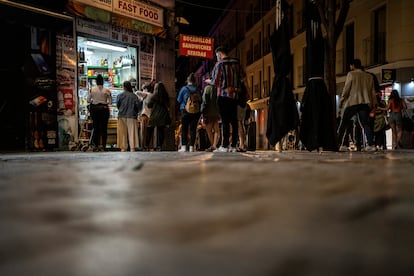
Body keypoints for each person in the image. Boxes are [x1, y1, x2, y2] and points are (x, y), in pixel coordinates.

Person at [207, 45, 246, 152]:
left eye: (217, 55)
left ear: (219, 54)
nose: (217, 57)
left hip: (223, 96)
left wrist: (209, 81)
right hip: (234, 97)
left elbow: (215, 81)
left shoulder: (219, 64)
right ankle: (234, 145)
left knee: (225, 121)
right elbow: (243, 77)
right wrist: (235, 88)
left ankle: (224, 145)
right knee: (234, 120)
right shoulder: (237, 63)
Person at [337, 58, 377, 152]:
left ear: (353, 66)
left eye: (350, 66)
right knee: (365, 124)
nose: (350, 67)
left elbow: (346, 89)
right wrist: (373, 104)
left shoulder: (351, 74)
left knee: (344, 123)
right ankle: (371, 144)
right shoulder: (369, 76)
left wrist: (342, 101)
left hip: (352, 102)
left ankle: (339, 144)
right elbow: (372, 91)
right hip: (364, 103)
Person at [177, 72, 202, 152]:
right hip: (196, 111)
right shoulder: (197, 89)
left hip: (185, 110)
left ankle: (184, 147)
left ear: (188, 80)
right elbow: (200, 100)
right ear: (194, 81)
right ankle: (192, 147)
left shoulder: (184, 89)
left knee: (184, 129)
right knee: (193, 129)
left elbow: (179, 100)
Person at [87, 74, 112, 151]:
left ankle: (96, 145)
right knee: (104, 128)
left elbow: (88, 100)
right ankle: (104, 146)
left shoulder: (92, 89)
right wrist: (105, 102)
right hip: (104, 109)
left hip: (95, 110)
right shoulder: (107, 90)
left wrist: (93, 101)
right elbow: (110, 102)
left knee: (95, 127)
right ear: (103, 81)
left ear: (96, 81)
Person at [116, 80, 141, 152]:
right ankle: (132, 147)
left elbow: (118, 105)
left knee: (122, 132)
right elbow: (138, 106)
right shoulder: (134, 96)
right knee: (132, 132)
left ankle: (123, 148)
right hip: (132, 116)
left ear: (124, 87)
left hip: (121, 115)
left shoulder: (119, 95)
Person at [146, 82, 171, 151]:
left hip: (154, 115)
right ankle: (159, 146)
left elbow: (149, 105)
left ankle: (146, 145)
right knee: (161, 131)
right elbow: (168, 105)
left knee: (149, 130)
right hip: (163, 116)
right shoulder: (165, 96)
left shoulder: (153, 96)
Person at [201, 75, 220, 152]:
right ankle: (214, 145)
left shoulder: (207, 89)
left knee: (209, 130)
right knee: (216, 130)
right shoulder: (217, 89)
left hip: (208, 112)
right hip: (216, 112)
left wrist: (203, 111)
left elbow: (205, 101)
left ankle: (212, 145)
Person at [136, 83, 153, 150]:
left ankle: (143, 146)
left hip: (145, 115)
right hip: (150, 115)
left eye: (143, 89)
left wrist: (142, 93)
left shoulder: (146, 94)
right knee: (148, 132)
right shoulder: (151, 95)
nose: (142, 90)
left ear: (146, 89)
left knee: (143, 132)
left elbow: (137, 92)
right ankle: (148, 145)